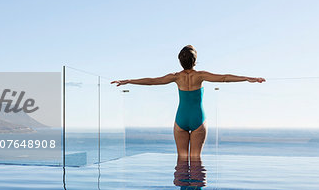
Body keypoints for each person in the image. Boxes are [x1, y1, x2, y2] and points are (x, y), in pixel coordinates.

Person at [111, 45, 265, 159]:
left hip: (181, 119)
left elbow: (152, 81)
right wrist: (248, 78)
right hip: (198, 119)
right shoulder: (200, 75)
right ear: (195, 61)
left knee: (182, 159)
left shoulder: (176, 76)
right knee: (196, 159)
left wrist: (128, 81)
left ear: (180, 61)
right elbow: (225, 77)